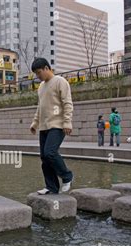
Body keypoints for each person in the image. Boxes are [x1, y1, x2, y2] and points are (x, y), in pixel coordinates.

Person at [30, 58, 74, 195]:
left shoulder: (60, 81)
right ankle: (51, 187)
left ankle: (67, 176)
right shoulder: (41, 87)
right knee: (44, 157)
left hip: (58, 125)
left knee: (50, 152)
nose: (38, 76)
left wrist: (67, 122)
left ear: (46, 68)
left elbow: (67, 103)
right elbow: (40, 107)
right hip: (44, 127)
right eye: (36, 74)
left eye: (39, 73)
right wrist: (35, 123)